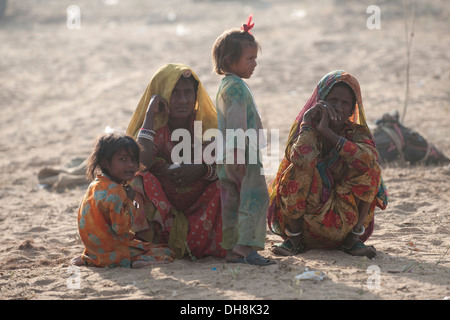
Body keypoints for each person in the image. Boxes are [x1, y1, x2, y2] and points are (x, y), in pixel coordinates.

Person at [267, 70, 388, 259]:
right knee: (297, 168)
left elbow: (369, 159)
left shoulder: (357, 133)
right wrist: (309, 123)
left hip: (344, 218)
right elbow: (301, 158)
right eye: (332, 100)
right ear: (320, 102)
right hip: (305, 220)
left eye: (345, 103)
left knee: (370, 169)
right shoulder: (308, 129)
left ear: (351, 110)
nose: (338, 107)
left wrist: (329, 134)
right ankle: (294, 241)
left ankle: (353, 241)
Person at [126, 63, 226, 260]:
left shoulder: (202, 125)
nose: (182, 100)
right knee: (137, 180)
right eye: (174, 93)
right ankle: (148, 244)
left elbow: (223, 163)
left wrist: (202, 169)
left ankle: (206, 245)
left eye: (188, 92)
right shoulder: (155, 128)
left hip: (199, 209)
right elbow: (141, 163)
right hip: (162, 212)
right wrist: (149, 115)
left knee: (227, 183)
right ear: (162, 94)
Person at [212, 14, 275, 266]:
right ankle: (245, 247)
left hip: (225, 155)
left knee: (231, 201)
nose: (254, 64)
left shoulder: (226, 85)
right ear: (230, 60)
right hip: (242, 154)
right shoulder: (237, 87)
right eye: (250, 59)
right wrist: (239, 153)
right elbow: (237, 122)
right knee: (255, 197)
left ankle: (230, 249)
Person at [72, 133, 174, 268]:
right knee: (167, 251)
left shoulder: (96, 184)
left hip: (94, 249)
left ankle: (90, 258)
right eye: (123, 159)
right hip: (113, 252)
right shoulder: (117, 192)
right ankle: (142, 262)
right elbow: (121, 228)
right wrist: (131, 202)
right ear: (105, 163)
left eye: (133, 160)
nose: (131, 165)